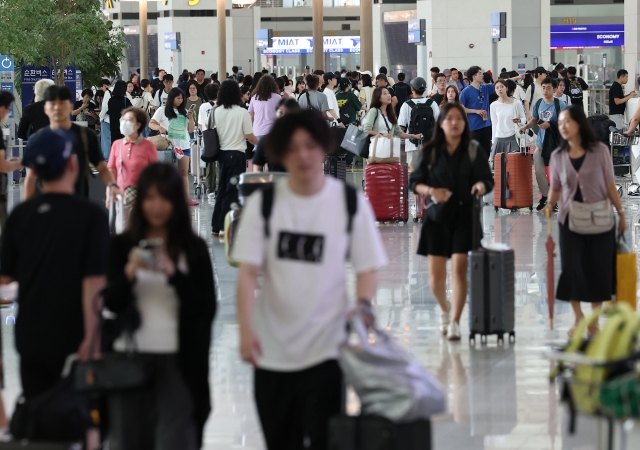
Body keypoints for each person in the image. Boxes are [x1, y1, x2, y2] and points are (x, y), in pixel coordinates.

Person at [232, 110, 388, 450]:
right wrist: (245, 330)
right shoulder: (265, 205)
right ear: (280, 154)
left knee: (323, 441)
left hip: (326, 350)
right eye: (293, 148)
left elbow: (367, 268)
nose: (302, 155)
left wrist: (362, 309)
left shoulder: (348, 202)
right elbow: (247, 275)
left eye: (310, 145)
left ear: (324, 148)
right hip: (271, 352)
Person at [103, 163, 216, 449]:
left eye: (165, 198)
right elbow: (110, 302)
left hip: (178, 360)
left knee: (175, 437)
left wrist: (174, 275)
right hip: (129, 357)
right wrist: (128, 274)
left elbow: (205, 308)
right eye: (150, 198)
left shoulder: (192, 249)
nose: (157, 206)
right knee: (128, 439)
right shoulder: (121, 246)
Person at [0, 128, 108, 405]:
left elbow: (5, 286)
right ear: (73, 164)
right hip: (77, 334)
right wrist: (93, 339)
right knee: (81, 415)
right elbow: (93, 283)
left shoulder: (19, 217)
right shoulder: (91, 216)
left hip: (30, 334)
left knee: (38, 411)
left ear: (33, 172)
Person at [409, 102, 493, 340]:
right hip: (437, 218)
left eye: (459, 118)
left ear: (464, 123)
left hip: (465, 215)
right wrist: (431, 191)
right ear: (442, 124)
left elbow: (487, 180)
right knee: (435, 279)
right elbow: (414, 182)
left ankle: (455, 322)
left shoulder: (474, 149)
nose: (455, 122)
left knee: (459, 269)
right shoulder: (430, 151)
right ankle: (445, 310)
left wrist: (479, 186)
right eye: (450, 119)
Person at [544, 105, 625, 336]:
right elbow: (555, 188)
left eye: (567, 121)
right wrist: (550, 205)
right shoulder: (558, 156)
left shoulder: (599, 151)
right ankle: (579, 317)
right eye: (560, 123)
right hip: (569, 219)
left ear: (579, 123)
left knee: (598, 269)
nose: (563, 127)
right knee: (572, 268)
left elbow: (610, 184)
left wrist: (621, 213)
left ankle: (594, 321)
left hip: (601, 218)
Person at [24, 85, 120, 202]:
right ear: (46, 109)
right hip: (46, 207)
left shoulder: (86, 136)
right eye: (52, 104)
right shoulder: (36, 140)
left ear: (70, 107)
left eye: (62, 104)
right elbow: (31, 178)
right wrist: (26, 209)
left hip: (79, 203)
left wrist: (112, 186)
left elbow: (102, 168)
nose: (57, 108)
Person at [210, 80, 259, 236]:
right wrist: (262, 144)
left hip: (222, 155)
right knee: (232, 191)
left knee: (222, 189)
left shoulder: (216, 111)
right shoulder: (241, 112)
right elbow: (250, 136)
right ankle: (227, 227)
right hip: (237, 155)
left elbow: (209, 128)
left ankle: (215, 227)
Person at [107, 107, 158, 231]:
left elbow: (155, 173)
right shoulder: (117, 145)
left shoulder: (148, 146)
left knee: (142, 231)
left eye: (129, 119)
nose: (124, 122)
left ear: (138, 125)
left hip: (143, 196)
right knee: (123, 231)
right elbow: (111, 170)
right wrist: (109, 191)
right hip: (122, 196)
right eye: (123, 119)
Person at [520, 77, 566, 211]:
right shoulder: (538, 103)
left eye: (549, 88)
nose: (545, 91)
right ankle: (546, 196)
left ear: (555, 89)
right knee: (539, 171)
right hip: (540, 143)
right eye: (543, 88)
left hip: (556, 144)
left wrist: (551, 124)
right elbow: (534, 120)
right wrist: (525, 127)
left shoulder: (560, 105)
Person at [149, 88, 198, 206]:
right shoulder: (162, 110)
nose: (180, 101)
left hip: (184, 145)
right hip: (168, 146)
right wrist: (160, 128)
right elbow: (151, 123)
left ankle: (186, 198)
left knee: (184, 173)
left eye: (182, 98)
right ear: (172, 98)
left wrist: (191, 118)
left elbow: (190, 130)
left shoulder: (185, 112)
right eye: (178, 98)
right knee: (166, 174)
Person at [397, 77, 440, 172]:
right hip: (430, 144)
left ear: (412, 89)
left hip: (412, 145)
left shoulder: (406, 105)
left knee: (414, 174)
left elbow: (401, 128)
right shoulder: (432, 103)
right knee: (430, 173)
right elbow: (439, 123)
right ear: (424, 90)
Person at [253, 98, 300, 173]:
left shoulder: (303, 141)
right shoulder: (267, 140)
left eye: (288, 114)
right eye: (281, 113)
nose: (284, 117)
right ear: (276, 113)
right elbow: (258, 168)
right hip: (274, 182)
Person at [460, 66, 495, 155]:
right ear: (474, 77)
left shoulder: (485, 88)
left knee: (486, 151)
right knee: (474, 153)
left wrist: (517, 78)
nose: (482, 75)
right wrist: (476, 111)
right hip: (473, 127)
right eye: (480, 73)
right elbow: (460, 108)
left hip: (486, 125)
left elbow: (501, 83)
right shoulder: (466, 91)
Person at [490, 79, 527, 160]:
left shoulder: (516, 103)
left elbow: (524, 119)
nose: (499, 89)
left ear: (506, 88)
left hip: (513, 136)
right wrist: (493, 142)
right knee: (499, 167)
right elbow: (494, 124)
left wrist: (519, 120)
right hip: (499, 138)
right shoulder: (493, 105)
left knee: (514, 165)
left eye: (502, 87)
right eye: (497, 88)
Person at [198, 83, 221, 199]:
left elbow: (201, 124)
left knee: (210, 164)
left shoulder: (203, 106)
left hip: (208, 137)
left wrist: (204, 135)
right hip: (220, 135)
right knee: (220, 163)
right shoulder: (221, 106)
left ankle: (210, 189)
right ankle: (221, 187)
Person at [248, 75, 281, 142]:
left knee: (259, 151)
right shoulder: (277, 97)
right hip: (272, 131)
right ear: (273, 85)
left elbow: (251, 114)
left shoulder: (254, 97)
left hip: (257, 130)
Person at [107, 80, 134, 152]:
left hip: (113, 128)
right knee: (124, 147)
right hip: (124, 128)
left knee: (115, 146)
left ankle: (115, 160)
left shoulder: (110, 100)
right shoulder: (126, 100)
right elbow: (133, 112)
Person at [98, 78, 114, 159]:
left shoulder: (108, 92)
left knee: (106, 140)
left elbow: (104, 107)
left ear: (105, 86)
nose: (102, 90)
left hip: (107, 119)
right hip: (116, 120)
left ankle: (106, 158)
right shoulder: (119, 91)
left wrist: (100, 117)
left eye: (102, 88)